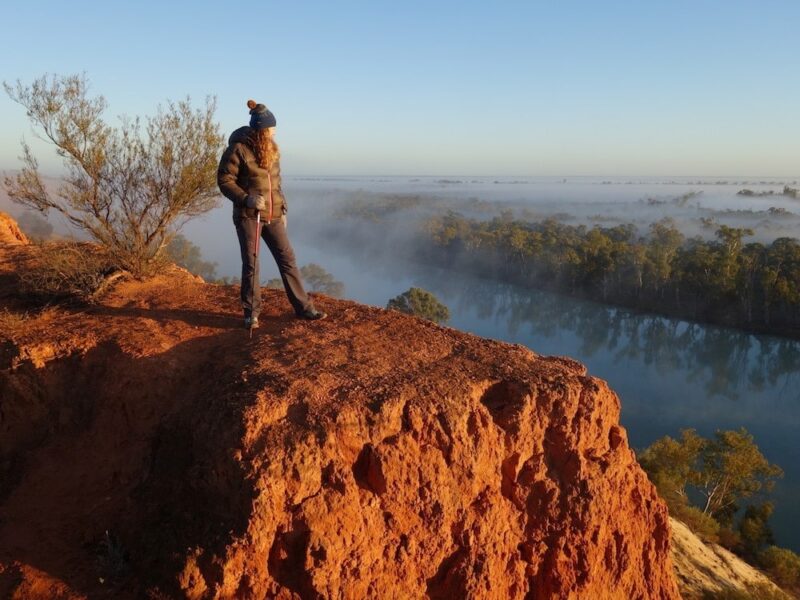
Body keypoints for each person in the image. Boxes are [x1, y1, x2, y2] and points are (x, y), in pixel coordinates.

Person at [217, 99, 327, 330]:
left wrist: (282, 208)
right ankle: (251, 313)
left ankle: (304, 308)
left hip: (273, 215)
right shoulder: (238, 149)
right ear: (260, 129)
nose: (274, 132)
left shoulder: (273, 150)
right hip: (249, 216)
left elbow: (275, 185)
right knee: (252, 264)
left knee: (287, 259)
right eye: (271, 129)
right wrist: (246, 198)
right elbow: (224, 180)